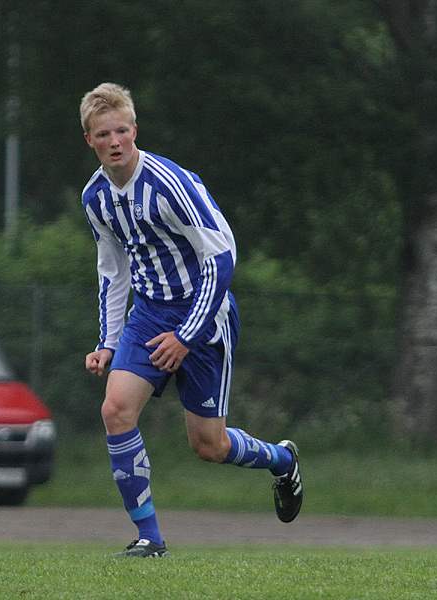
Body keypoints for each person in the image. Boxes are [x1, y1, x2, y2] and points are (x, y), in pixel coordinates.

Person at [80, 83, 303, 558]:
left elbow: (221, 257)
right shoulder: (96, 197)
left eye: (122, 130)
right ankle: (150, 539)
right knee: (115, 410)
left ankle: (283, 460)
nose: (115, 140)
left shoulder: (169, 183)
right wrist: (107, 341)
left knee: (209, 445)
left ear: (135, 131)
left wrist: (186, 335)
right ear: (90, 140)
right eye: (104, 134)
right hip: (149, 313)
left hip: (205, 311)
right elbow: (113, 271)